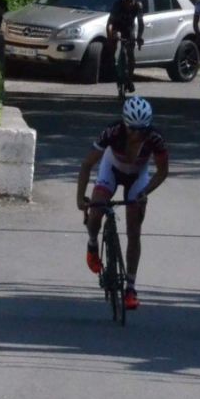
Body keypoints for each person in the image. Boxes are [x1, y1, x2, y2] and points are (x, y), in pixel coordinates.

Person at [77, 95, 169, 312]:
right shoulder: (112, 132)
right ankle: (92, 243)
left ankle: (131, 288)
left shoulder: (155, 138)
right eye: (133, 129)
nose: (138, 134)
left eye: (142, 129)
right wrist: (80, 198)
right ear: (125, 125)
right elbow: (87, 164)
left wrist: (145, 192)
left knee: (134, 230)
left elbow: (162, 172)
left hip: (138, 176)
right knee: (96, 210)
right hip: (111, 169)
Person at [107, 0, 145, 85]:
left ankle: (130, 79)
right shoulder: (117, 4)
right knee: (112, 47)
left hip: (129, 28)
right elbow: (110, 23)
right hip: (117, 26)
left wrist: (139, 37)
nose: (129, 3)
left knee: (130, 53)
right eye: (127, 0)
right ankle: (112, 68)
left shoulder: (138, 6)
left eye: (132, 0)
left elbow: (141, 23)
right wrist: (110, 36)